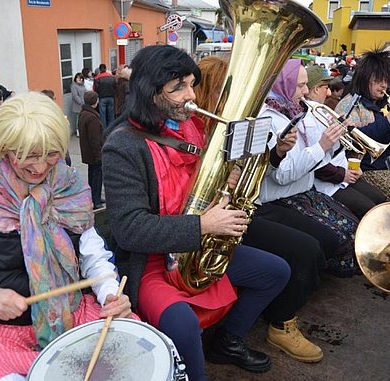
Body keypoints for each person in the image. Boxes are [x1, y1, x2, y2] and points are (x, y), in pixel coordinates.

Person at [102, 45, 290, 381]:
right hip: (152, 263)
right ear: (150, 92)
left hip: (195, 247)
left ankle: (228, 342)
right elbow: (129, 229)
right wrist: (203, 225)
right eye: (179, 88)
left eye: (192, 83)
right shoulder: (122, 146)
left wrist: (229, 184)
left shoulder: (192, 127)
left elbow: (199, 188)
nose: (192, 95)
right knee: (182, 323)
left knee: (275, 271)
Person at [0, 92, 132, 380]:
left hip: (69, 312)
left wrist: (109, 294)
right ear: (4, 147)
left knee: (132, 354)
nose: (40, 168)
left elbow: (94, 254)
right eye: (27, 155)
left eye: (51, 154)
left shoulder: (69, 184)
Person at [194, 56, 325, 363]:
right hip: (223, 218)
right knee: (305, 250)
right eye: (226, 92)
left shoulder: (230, 123)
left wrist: (274, 153)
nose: (234, 99)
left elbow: (262, 169)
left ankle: (249, 332)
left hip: (243, 208)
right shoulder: (198, 131)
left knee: (312, 248)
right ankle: (276, 324)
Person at [256, 59, 360, 278]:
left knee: (353, 226)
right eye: (300, 85)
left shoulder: (295, 110)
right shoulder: (268, 117)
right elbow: (282, 175)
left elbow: (320, 160)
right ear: (283, 85)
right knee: (334, 237)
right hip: (282, 198)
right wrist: (322, 145)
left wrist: (336, 140)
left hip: (304, 191)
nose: (305, 91)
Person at [304, 65, 386, 219]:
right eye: (326, 87)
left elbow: (337, 150)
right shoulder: (310, 115)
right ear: (315, 89)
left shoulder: (323, 111)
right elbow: (315, 163)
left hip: (342, 171)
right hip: (326, 182)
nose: (329, 92)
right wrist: (343, 175)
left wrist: (350, 166)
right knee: (370, 211)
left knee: (381, 201)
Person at [335, 49, 390, 172]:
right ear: (365, 79)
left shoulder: (384, 103)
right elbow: (350, 140)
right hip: (367, 169)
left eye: (386, 80)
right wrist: (386, 122)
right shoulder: (348, 104)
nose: (384, 85)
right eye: (378, 80)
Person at [78, 91, 104, 209]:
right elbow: (95, 139)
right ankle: (96, 200)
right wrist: (99, 155)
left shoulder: (83, 114)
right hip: (94, 154)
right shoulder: (92, 117)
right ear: (95, 102)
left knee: (92, 175)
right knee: (97, 177)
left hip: (88, 152)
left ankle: (93, 197)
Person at [94, 63, 117, 134]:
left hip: (102, 98)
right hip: (111, 97)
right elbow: (115, 86)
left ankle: (104, 130)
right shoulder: (112, 77)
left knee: (103, 115)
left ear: (100, 69)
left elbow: (95, 89)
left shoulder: (97, 78)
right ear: (106, 68)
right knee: (111, 114)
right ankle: (112, 129)